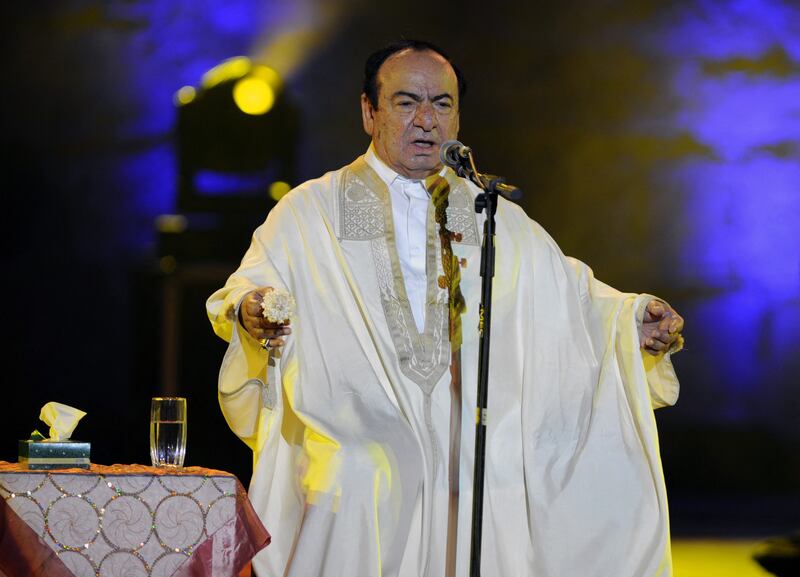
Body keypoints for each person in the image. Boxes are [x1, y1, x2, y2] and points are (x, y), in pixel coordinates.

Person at [207, 39, 684, 577]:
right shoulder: (312, 209)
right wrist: (253, 310)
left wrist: (630, 320)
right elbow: (251, 287)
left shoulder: (486, 209)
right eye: (407, 102)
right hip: (353, 428)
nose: (427, 120)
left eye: (442, 104)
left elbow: (569, 295)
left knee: (501, 466)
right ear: (370, 112)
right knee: (360, 469)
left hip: (470, 427)